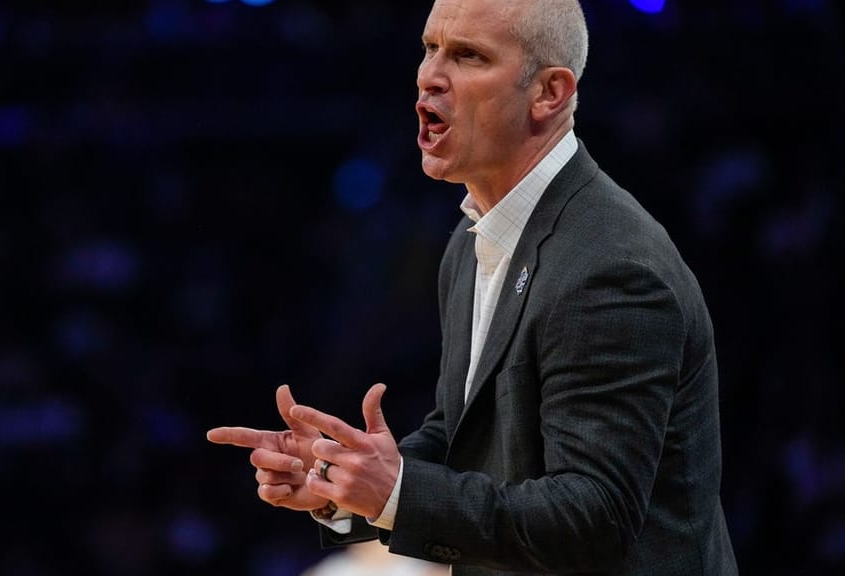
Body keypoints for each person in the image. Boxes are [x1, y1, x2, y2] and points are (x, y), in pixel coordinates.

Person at [207, 0, 739, 574]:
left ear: (549, 93)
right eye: (430, 47)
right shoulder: (473, 237)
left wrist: (397, 494)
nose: (429, 75)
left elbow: (595, 519)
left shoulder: (610, 268)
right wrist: (342, 479)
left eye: (468, 55)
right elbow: (464, 438)